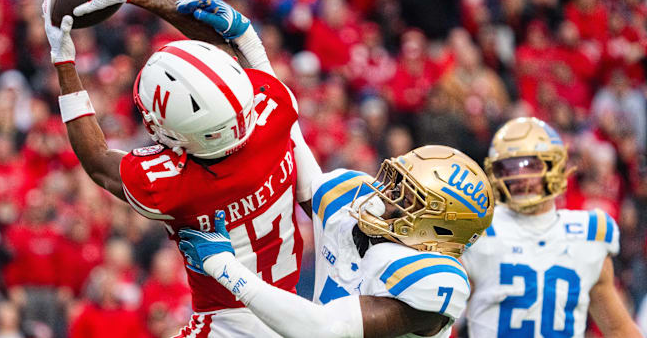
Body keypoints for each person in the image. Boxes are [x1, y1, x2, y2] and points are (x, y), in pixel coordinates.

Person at [47, 0, 321, 337]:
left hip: (226, 324)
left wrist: (63, 57)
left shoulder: (177, 185)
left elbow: (96, 160)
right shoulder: (274, 110)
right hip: (293, 310)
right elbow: (230, 52)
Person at [177, 145, 495, 338]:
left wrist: (224, 266)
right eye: (396, 183)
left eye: (407, 197)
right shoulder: (352, 215)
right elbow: (288, 137)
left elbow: (324, 330)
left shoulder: (434, 281)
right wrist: (251, 50)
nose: (384, 196)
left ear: (439, 230)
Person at [461, 117, 642, 338]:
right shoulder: (477, 230)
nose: (520, 176)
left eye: (531, 165)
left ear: (554, 166)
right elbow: (440, 316)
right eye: (508, 167)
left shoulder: (589, 233)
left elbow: (618, 329)